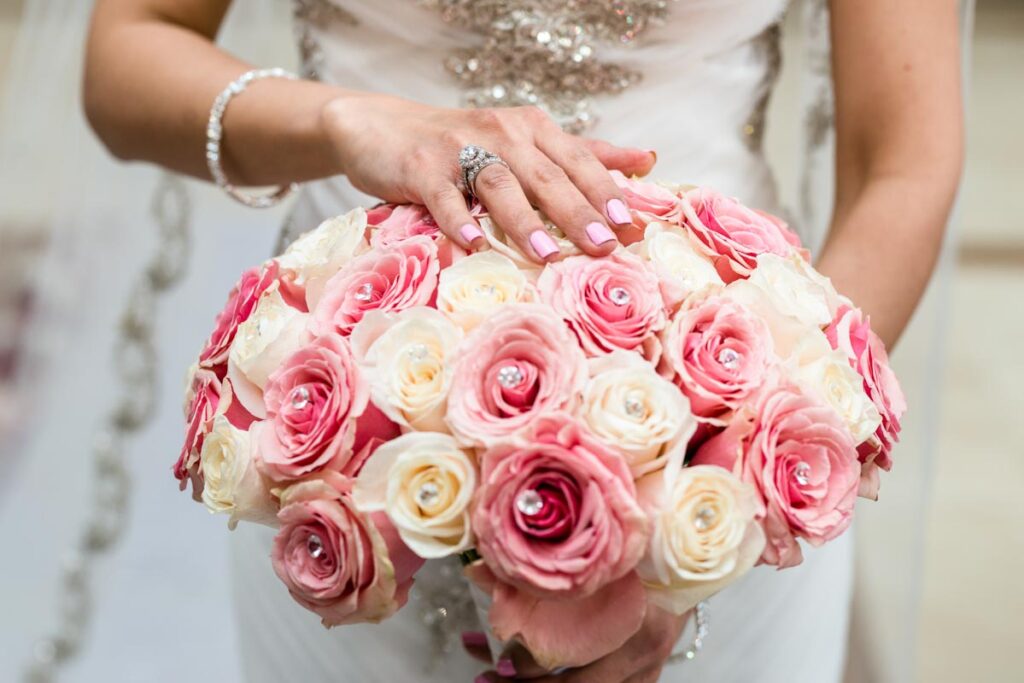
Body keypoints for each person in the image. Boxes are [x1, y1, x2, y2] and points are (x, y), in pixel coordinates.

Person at [78, 1, 964, 681]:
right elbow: (128, 55)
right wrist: (344, 119)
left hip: (723, 450)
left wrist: (722, 500)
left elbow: (903, 160)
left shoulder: (729, 485)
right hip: (347, 465)